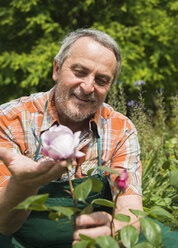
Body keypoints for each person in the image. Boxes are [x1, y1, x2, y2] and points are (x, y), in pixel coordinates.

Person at [0, 29, 143, 247]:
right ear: (57, 69)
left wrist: (117, 232)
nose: (87, 87)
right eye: (79, 72)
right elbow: (4, 223)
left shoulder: (121, 129)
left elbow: (131, 209)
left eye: (102, 80)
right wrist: (23, 184)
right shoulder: (10, 120)